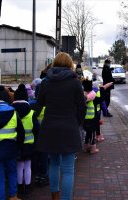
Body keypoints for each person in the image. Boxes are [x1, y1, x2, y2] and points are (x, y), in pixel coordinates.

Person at [36, 52, 86, 200]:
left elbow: (39, 105)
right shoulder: (75, 82)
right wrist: (76, 123)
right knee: (68, 169)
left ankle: (54, 195)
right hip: (69, 128)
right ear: (70, 64)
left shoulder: (45, 82)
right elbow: (82, 108)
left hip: (50, 127)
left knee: (54, 163)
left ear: (54, 64)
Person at [12, 84, 40, 196]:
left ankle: (19, 188)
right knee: (27, 165)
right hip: (29, 144)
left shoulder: (11, 112)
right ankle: (27, 187)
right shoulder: (31, 113)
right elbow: (37, 129)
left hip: (16, 144)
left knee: (19, 166)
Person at [82, 79, 99, 154]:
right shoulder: (92, 94)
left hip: (85, 117)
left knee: (88, 133)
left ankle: (86, 147)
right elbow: (85, 100)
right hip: (90, 117)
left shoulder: (83, 93)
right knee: (92, 132)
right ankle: (93, 148)